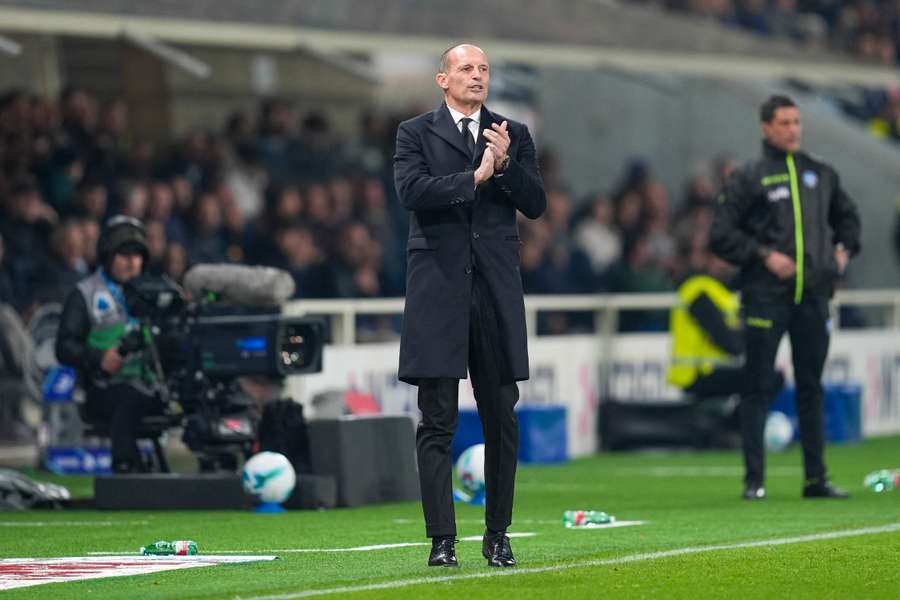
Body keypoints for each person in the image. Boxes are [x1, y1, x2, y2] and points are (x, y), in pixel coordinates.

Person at [393, 43, 546, 568]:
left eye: (483, 69)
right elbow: (411, 191)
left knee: (501, 415)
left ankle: (498, 534)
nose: (476, 76)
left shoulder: (512, 133)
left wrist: (504, 167)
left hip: (495, 293)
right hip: (438, 289)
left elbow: (537, 203)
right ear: (443, 79)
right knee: (436, 418)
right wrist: (474, 179)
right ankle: (441, 540)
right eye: (466, 68)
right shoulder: (413, 132)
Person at [709, 95, 861, 500]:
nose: (793, 129)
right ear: (765, 128)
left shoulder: (821, 174)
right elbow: (720, 234)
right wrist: (763, 255)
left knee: (811, 386)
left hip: (813, 295)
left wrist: (845, 249)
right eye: (784, 123)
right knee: (757, 385)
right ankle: (754, 481)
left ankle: (816, 479)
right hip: (765, 296)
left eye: (796, 122)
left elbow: (848, 218)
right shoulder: (750, 177)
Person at [56, 215, 161, 473]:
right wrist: (98, 357)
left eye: (137, 255)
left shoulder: (157, 293)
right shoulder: (85, 294)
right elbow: (64, 346)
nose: (132, 262)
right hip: (103, 387)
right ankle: (125, 465)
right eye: (124, 254)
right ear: (107, 255)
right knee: (128, 397)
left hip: (153, 384)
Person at [667, 253, 746, 398]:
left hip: (714, 369)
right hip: (696, 372)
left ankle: (736, 420)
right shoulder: (698, 290)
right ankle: (737, 421)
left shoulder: (722, 292)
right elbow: (731, 343)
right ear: (709, 259)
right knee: (765, 379)